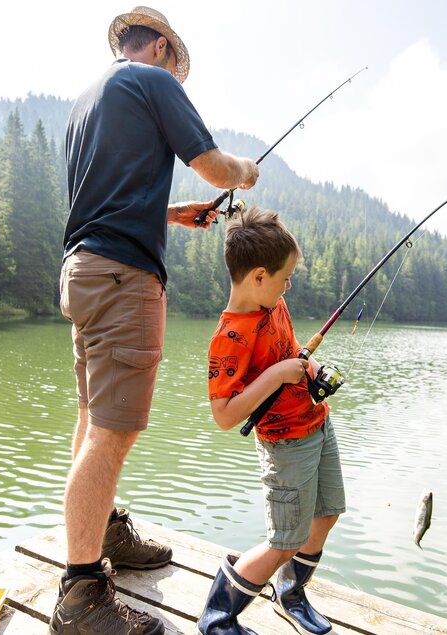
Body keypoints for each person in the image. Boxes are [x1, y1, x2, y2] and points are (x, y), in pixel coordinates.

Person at [51, 7, 260, 635]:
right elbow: (215, 165)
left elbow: (104, 197)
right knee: (112, 432)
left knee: (92, 418)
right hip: (123, 277)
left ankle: (103, 534)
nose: (176, 76)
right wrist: (245, 173)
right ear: (162, 47)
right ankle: (81, 597)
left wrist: (170, 214)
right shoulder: (152, 81)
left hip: (84, 271)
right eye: (176, 65)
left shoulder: (86, 100)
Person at [198, 207, 345, 635]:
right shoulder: (229, 338)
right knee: (284, 542)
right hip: (285, 444)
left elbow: (290, 350)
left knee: (327, 514)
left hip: (317, 423)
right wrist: (277, 375)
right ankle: (217, 618)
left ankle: (290, 594)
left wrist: (311, 369)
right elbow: (224, 415)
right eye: (285, 277)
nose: (288, 286)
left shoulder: (274, 303)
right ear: (259, 276)